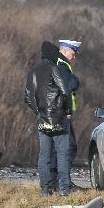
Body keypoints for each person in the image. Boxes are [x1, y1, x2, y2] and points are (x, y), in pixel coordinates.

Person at [24, 41, 72, 196]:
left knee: (44, 156)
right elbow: (65, 91)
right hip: (59, 119)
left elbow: (28, 98)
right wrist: (67, 110)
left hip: (42, 119)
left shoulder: (33, 71)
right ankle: (64, 189)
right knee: (62, 154)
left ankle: (45, 190)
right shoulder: (55, 69)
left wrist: (38, 112)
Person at [53, 39, 81, 192]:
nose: (74, 57)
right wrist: (76, 80)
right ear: (64, 51)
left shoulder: (62, 65)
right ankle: (63, 183)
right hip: (62, 113)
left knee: (62, 149)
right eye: (73, 53)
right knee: (68, 148)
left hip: (62, 112)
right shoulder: (62, 66)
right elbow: (72, 84)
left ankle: (61, 182)